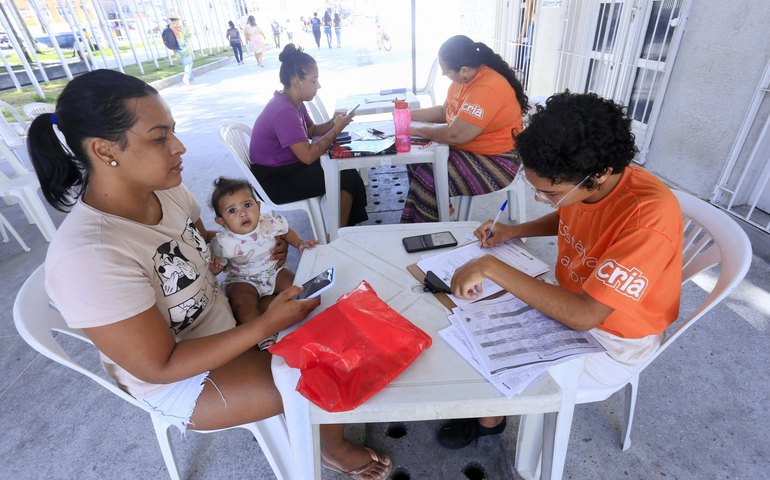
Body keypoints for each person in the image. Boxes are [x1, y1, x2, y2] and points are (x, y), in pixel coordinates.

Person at [26, 69, 392, 480]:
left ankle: (319, 429)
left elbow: (207, 249)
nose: (179, 147)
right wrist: (264, 326)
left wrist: (256, 244)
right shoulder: (89, 256)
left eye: (174, 132)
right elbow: (159, 366)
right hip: (185, 377)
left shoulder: (167, 192)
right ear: (104, 149)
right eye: (159, 137)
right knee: (326, 363)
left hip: (226, 319)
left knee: (343, 311)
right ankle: (331, 446)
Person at [436, 91, 683, 449]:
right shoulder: (589, 184)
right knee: (462, 320)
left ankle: (491, 419)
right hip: (568, 297)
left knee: (486, 351)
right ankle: (491, 410)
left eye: (549, 193)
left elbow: (585, 315)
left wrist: (492, 266)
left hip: (614, 339)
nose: (542, 199)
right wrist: (514, 231)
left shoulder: (648, 219)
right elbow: (571, 209)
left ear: (597, 176)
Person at [402, 35, 528, 223]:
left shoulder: (487, 87)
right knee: (414, 158)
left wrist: (418, 130)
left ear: (463, 70)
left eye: (446, 72)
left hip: (498, 161)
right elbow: (444, 111)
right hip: (470, 150)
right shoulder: (462, 80)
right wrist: (406, 115)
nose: (445, 76)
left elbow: (455, 135)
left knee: (429, 176)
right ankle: (439, 212)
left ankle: (428, 232)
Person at [249, 44, 368, 227]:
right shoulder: (284, 111)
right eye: (314, 80)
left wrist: (333, 122)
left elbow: (311, 131)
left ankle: (340, 231)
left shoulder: (292, 101)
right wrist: (336, 130)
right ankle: (338, 237)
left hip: (287, 168)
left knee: (344, 170)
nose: (318, 86)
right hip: (275, 181)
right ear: (297, 81)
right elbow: (308, 156)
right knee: (347, 178)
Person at [209, 177, 317, 350]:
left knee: (298, 285)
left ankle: (314, 308)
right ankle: (263, 335)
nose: (242, 213)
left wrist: (299, 243)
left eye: (247, 205)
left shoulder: (267, 223)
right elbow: (216, 266)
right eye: (232, 210)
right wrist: (214, 269)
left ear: (258, 206)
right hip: (242, 279)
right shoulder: (223, 242)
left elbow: (286, 230)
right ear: (221, 221)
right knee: (240, 302)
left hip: (273, 271)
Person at [169, 14, 194, 85]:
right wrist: (186, 27)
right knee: (189, 63)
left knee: (185, 64)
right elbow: (189, 35)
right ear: (177, 20)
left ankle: (191, 79)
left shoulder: (170, 29)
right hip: (185, 49)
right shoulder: (181, 28)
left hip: (176, 49)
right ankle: (186, 79)